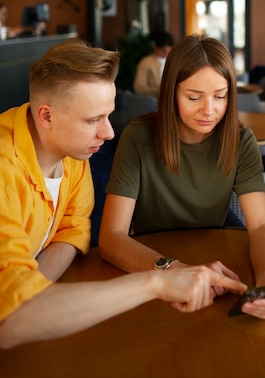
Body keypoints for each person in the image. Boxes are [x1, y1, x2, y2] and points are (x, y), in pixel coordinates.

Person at [0, 39, 246, 349]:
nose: (109, 133)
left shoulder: (70, 152)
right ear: (46, 116)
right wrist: (158, 282)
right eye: (92, 120)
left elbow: (73, 228)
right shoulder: (4, 174)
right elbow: (12, 321)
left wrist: (36, 291)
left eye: (107, 115)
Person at [99, 34, 265, 321]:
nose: (209, 110)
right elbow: (112, 237)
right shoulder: (138, 138)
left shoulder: (241, 140)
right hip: (150, 261)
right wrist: (171, 269)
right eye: (193, 97)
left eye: (220, 96)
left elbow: (262, 225)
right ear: (171, 93)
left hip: (214, 260)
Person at [133, 31, 174, 98]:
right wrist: (158, 90)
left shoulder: (173, 61)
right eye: (163, 51)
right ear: (155, 47)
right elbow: (138, 87)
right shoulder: (146, 62)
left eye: (168, 51)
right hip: (154, 101)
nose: (166, 54)